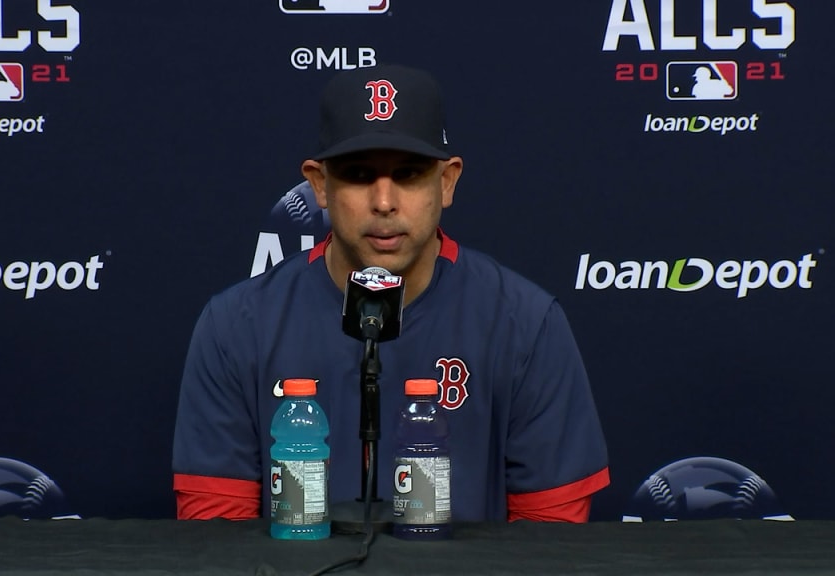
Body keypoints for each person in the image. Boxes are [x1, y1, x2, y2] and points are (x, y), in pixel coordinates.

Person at [173, 64, 609, 523]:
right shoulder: (236, 325)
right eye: (360, 175)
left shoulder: (526, 323)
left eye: (408, 174)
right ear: (320, 184)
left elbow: (553, 539)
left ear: (446, 181)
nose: (384, 202)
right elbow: (216, 537)